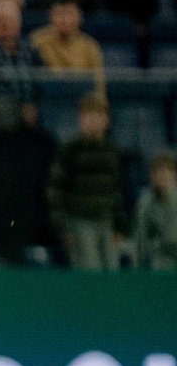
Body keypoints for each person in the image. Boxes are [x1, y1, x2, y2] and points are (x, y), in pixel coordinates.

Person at [51, 95, 127, 269]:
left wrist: (119, 227)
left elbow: (117, 191)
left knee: (111, 271)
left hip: (106, 221)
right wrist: (63, 228)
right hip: (79, 222)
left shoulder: (112, 150)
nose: (93, 120)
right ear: (80, 119)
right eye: (88, 115)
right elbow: (55, 192)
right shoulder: (70, 150)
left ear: (106, 120)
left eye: (98, 115)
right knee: (89, 272)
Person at [133, 150, 177, 269]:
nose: (160, 176)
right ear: (150, 176)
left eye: (164, 171)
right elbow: (140, 238)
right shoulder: (145, 202)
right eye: (155, 172)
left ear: (174, 175)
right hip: (159, 260)